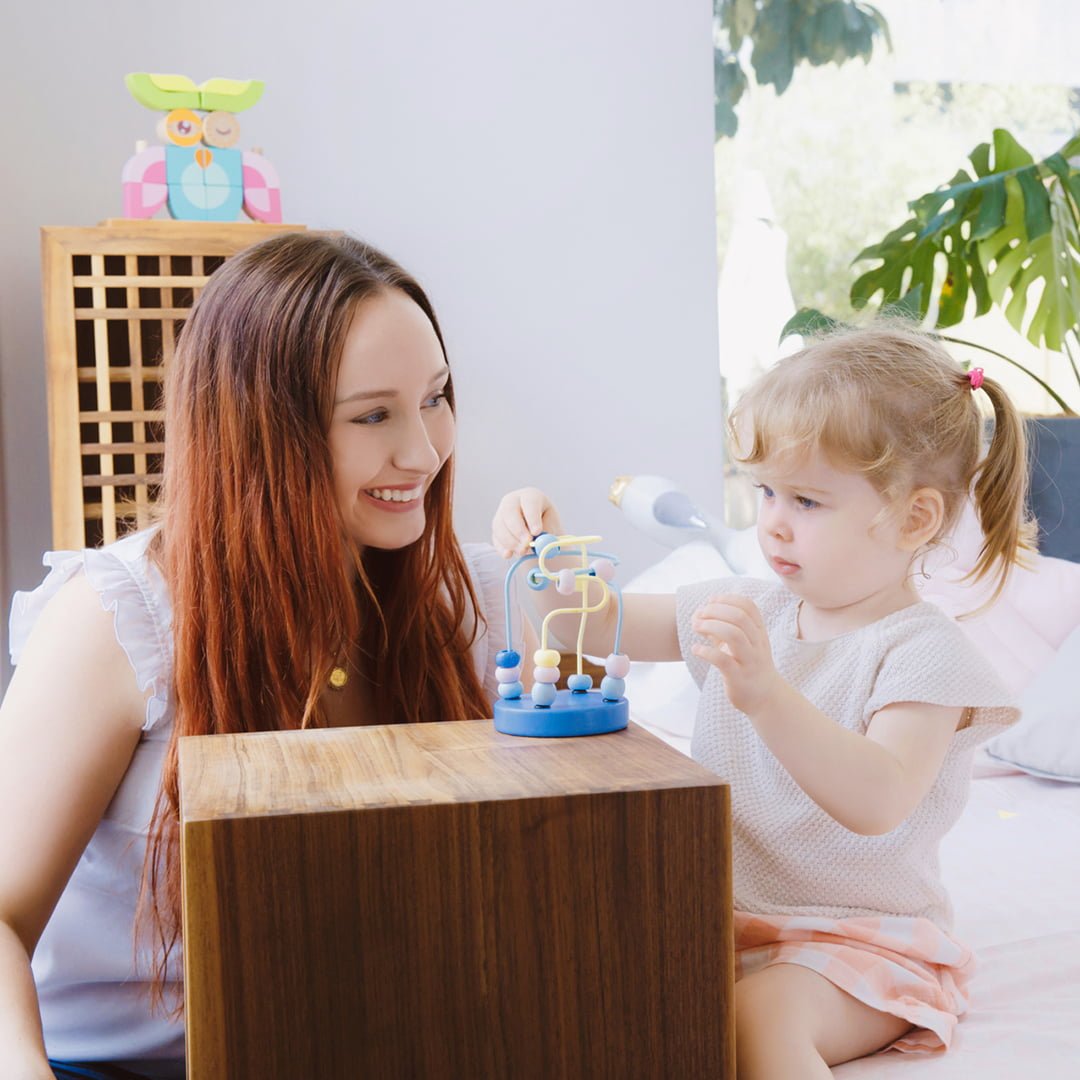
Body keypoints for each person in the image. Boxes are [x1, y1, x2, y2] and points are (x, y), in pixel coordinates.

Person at [1, 232, 508, 1080]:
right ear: (259, 431)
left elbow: (699, 617)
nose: (423, 450)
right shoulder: (123, 617)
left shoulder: (443, 594)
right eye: (373, 414)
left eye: (437, 397)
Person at [492, 323, 1027, 1077]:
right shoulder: (747, 605)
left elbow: (879, 798)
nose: (772, 520)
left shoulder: (924, 653)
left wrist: (767, 694)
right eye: (766, 491)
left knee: (756, 1022)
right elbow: (591, 623)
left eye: (808, 500)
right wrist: (539, 553)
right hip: (720, 922)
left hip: (855, 940)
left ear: (915, 518)